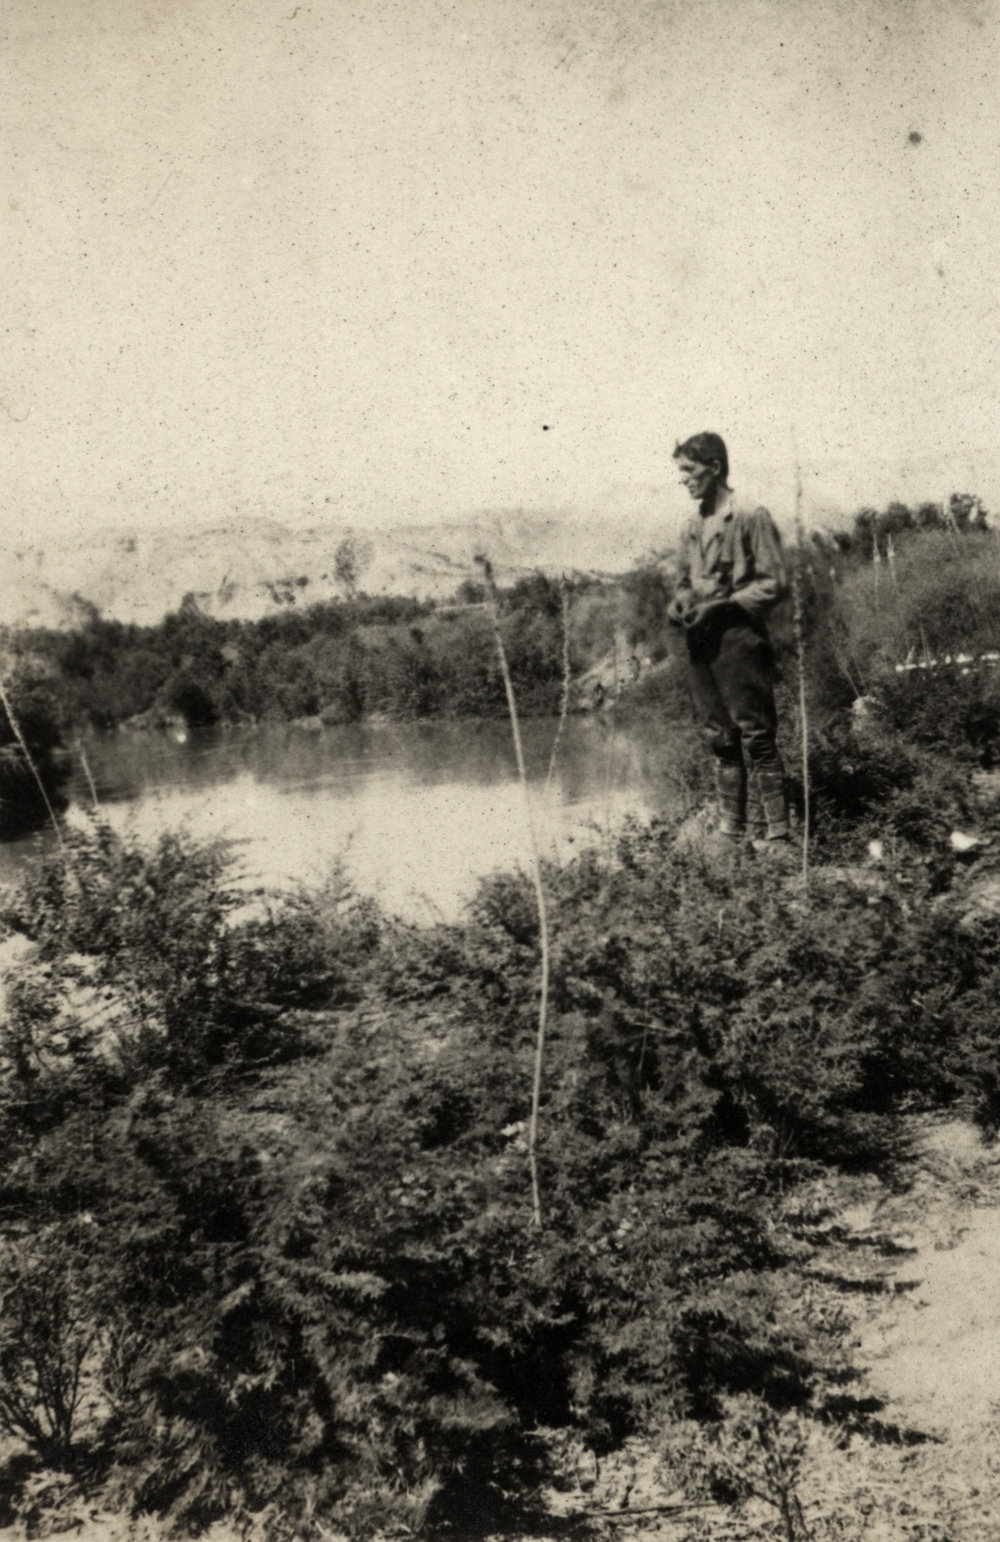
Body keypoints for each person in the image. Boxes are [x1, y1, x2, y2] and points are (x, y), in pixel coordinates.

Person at [666, 431, 790, 846]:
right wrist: (679, 604)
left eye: (689, 470)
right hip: (700, 642)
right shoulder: (690, 525)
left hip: (738, 637)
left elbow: (775, 584)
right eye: (679, 471)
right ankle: (730, 834)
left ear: (715, 467)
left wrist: (719, 607)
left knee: (756, 734)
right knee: (719, 737)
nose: (683, 479)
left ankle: (780, 835)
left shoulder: (752, 516)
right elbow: (684, 583)